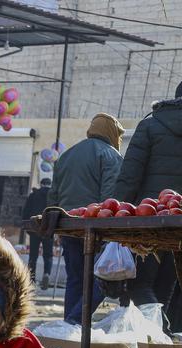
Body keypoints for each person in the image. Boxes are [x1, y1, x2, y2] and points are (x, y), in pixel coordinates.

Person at [113, 81, 182, 332]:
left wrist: (115, 214)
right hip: (179, 227)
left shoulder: (150, 125)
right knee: (166, 287)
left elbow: (130, 176)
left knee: (139, 285)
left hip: (148, 221)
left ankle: (152, 339)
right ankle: (157, 340)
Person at [48, 113, 124, 325]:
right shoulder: (111, 156)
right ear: (111, 133)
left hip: (68, 225)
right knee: (102, 278)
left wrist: (57, 227)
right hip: (95, 227)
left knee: (75, 279)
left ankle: (67, 327)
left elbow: (53, 196)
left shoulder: (67, 155)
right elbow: (110, 198)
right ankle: (75, 320)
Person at [21, 177, 52, 288]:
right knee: (48, 255)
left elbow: (26, 213)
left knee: (33, 256)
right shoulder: (53, 196)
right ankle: (47, 273)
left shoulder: (33, 195)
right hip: (49, 229)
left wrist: (28, 229)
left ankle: (32, 279)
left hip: (35, 229)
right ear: (50, 184)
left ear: (41, 184)